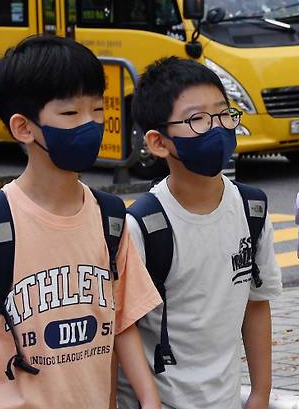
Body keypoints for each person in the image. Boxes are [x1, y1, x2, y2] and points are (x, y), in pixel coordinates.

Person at [0, 35, 162, 409]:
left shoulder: (111, 218)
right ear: (23, 128)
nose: (91, 124)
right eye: (70, 114)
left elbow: (123, 320)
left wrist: (149, 398)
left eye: (98, 110)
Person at [116, 57, 282, 409]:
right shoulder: (143, 225)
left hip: (225, 400)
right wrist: (148, 400)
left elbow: (256, 303)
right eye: (197, 119)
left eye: (223, 114)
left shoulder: (252, 209)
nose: (217, 128)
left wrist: (260, 393)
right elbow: (122, 325)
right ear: (159, 143)